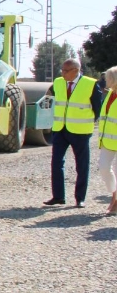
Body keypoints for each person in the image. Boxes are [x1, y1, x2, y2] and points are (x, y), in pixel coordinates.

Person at [44, 58, 103, 208]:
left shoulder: (90, 84)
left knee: (81, 165)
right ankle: (58, 197)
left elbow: (98, 109)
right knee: (56, 163)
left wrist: (87, 122)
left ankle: (80, 198)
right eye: (62, 70)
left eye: (66, 71)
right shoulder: (58, 82)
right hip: (60, 129)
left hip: (80, 131)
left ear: (76, 71)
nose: (62, 73)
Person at [99, 66, 117, 216]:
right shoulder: (110, 95)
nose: (105, 80)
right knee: (104, 168)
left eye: (107, 77)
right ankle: (114, 193)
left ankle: (115, 201)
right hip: (107, 140)